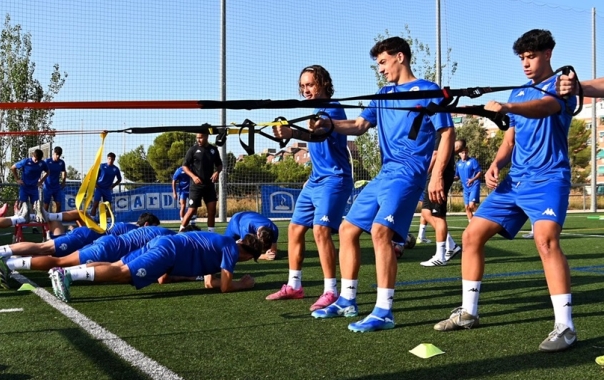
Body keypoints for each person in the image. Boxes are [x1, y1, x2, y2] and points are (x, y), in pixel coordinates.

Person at [284, 37, 454, 330]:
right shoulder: (382, 94)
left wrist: (437, 174)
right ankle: (347, 300)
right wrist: (330, 126)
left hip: (409, 172)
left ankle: (384, 310)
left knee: (380, 232)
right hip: (385, 172)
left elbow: (447, 133)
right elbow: (360, 126)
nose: (381, 69)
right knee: (348, 229)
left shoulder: (427, 90)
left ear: (400, 57)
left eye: (383, 62)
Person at [434, 29, 577, 352]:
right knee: (471, 236)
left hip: (549, 179)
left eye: (532, 56)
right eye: (522, 58)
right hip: (515, 181)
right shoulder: (519, 90)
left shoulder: (563, 87)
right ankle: (469, 313)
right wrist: (497, 164)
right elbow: (511, 138)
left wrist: (508, 105)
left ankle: (565, 327)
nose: (526, 63)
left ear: (548, 54)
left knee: (546, 240)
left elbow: (544, 108)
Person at [265, 65, 354, 312]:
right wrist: (290, 131)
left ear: (324, 84)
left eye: (310, 85)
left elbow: (322, 129)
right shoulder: (314, 109)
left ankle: (331, 291)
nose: (305, 90)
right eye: (303, 86)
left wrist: (293, 130)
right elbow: (312, 131)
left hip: (334, 180)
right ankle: (294, 286)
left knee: (321, 231)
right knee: (294, 230)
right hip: (314, 180)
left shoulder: (332, 108)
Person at [48, 231, 263, 302]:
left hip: (165, 244)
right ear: (247, 253)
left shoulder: (222, 244)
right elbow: (225, 287)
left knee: (117, 265)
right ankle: (65, 274)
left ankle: (65, 272)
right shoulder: (231, 250)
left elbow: (210, 283)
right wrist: (244, 284)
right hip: (170, 251)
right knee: (123, 273)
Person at [0, 225, 175, 279]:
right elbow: (162, 275)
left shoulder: (147, 229)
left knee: (55, 256)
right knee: (57, 260)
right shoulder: (170, 240)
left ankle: (4, 258)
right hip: (106, 246)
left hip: (105, 241)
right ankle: (5, 261)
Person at [419, 134, 461, 267]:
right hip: (434, 175)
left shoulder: (439, 129)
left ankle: (440, 256)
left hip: (439, 175)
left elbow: (436, 153)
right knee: (426, 212)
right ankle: (451, 245)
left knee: (438, 215)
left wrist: (423, 172)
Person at [179, 132, 223, 233]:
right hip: (196, 187)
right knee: (191, 211)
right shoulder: (192, 150)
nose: (198, 140)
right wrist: (193, 177)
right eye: (197, 138)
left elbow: (219, 164)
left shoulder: (213, 150)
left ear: (207, 137)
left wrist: (217, 172)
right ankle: (180, 232)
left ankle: (211, 234)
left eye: (200, 138)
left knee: (212, 211)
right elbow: (184, 166)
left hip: (209, 186)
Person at [454, 139, 482, 221]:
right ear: (459, 153)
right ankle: (472, 225)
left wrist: (472, 179)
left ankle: (483, 219)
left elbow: (479, 172)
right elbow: (457, 177)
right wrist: (450, 178)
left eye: (465, 152)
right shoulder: (458, 164)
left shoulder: (472, 161)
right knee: (467, 207)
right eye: (462, 153)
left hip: (474, 185)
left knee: (471, 205)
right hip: (465, 188)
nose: (464, 154)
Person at [91, 152, 122, 221]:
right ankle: (92, 218)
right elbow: (94, 175)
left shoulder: (115, 169)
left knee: (108, 205)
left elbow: (119, 179)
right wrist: (95, 184)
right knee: (95, 203)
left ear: (114, 160)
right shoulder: (101, 166)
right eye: (109, 159)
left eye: (112, 159)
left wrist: (113, 186)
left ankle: (108, 220)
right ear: (107, 158)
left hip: (107, 189)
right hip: (99, 188)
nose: (110, 160)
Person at [39, 146, 67, 213]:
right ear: (53, 153)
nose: (58, 156)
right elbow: (40, 170)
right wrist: (39, 180)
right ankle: (45, 221)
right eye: (57, 154)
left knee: (58, 204)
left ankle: (57, 220)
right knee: (46, 205)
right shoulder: (47, 161)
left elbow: (64, 171)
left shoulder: (61, 162)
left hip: (56, 187)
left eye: (59, 155)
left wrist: (63, 181)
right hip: (47, 186)